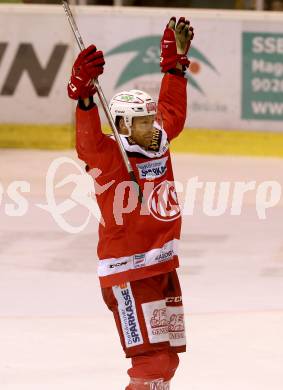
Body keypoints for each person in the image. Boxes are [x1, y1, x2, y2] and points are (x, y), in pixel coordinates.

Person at [67, 16, 194, 390]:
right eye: (140, 122)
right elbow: (87, 144)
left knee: (166, 359)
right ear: (121, 125)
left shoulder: (159, 137)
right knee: (151, 361)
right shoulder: (110, 154)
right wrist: (84, 95)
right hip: (129, 272)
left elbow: (174, 112)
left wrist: (175, 66)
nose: (150, 126)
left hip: (161, 264)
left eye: (150, 117)